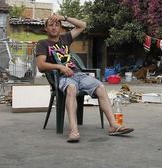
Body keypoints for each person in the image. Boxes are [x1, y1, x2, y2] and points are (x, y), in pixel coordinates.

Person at [35, 13, 134, 143]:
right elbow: (41, 65)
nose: (54, 27)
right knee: (71, 89)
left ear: (61, 28)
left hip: (78, 74)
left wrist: (64, 18)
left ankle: (113, 125)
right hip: (62, 77)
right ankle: (74, 130)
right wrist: (60, 67)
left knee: (100, 87)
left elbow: (82, 26)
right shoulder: (43, 44)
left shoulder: (65, 38)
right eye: (51, 25)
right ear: (46, 29)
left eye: (57, 25)